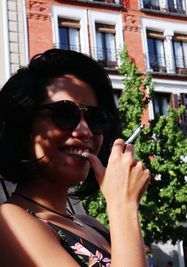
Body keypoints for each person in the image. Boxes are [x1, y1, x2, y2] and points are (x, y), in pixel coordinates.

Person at [0, 49, 151, 266]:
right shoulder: (9, 221)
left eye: (96, 117)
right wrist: (123, 205)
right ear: (24, 126)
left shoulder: (91, 224)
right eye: (64, 114)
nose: (85, 131)